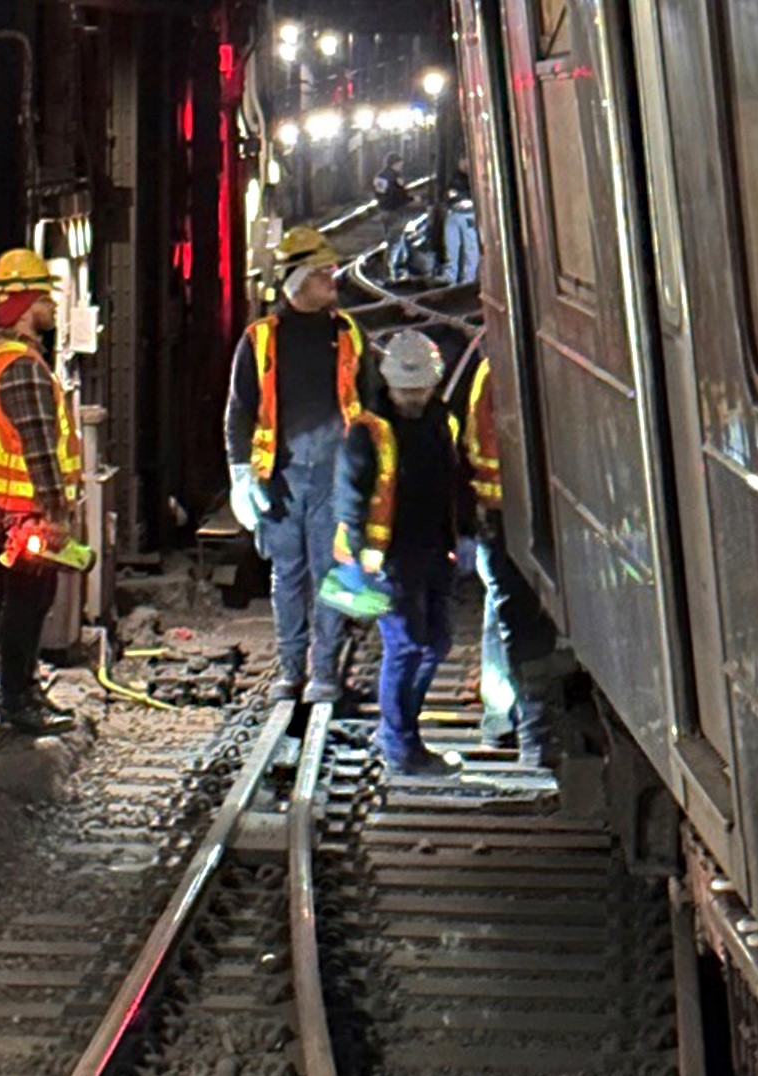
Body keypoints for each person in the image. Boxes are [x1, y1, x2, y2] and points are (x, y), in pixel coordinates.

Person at [226, 226, 372, 702]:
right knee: (288, 573)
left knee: (330, 572)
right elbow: (240, 412)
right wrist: (241, 475)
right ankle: (292, 670)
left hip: (336, 477)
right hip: (282, 478)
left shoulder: (348, 334)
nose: (334, 278)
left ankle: (324, 673)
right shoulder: (260, 340)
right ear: (297, 280)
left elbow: (370, 408)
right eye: (323, 272)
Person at [334, 331, 467, 777]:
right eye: (407, 390)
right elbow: (350, 499)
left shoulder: (441, 420)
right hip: (389, 556)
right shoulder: (368, 431)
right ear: (390, 384)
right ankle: (400, 744)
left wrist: (465, 532)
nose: (414, 397)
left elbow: (454, 478)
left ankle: (398, 732)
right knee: (407, 645)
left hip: (433, 548)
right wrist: (360, 556)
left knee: (437, 643)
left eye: (421, 389)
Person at [0, 248, 81, 736]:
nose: (52, 306)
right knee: (27, 604)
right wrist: (56, 512)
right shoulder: (22, 368)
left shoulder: (10, 360)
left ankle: (23, 691)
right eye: (44, 296)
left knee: (26, 602)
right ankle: (19, 700)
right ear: (23, 304)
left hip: (18, 511)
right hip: (27, 514)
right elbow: (40, 448)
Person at [459, 354, 550, 770]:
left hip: (504, 517)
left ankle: (501, 721)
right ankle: (524, 732)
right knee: (515, 620)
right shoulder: (495, 373)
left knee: (503, 618)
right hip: (503, 519)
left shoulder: (493, 371)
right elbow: (482, 449)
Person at [440, 156, 480, 286]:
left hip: (467, 215)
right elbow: (449, 195)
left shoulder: (472, 177)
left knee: (470, 247)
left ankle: (468, 279)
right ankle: (452, 277)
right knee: (452, 247)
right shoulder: (456, 177)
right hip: (455, 214)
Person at [373, 153, 413, 282]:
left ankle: (400, 267)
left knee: (394, 238)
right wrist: (412, 199)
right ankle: (389, 272)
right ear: (395, 164)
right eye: (400, 164)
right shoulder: (397, 177)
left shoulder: (379, 177)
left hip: (384, 211)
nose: (401, 166)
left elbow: (379, 194)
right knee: (394, 242)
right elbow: (400, 195)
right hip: (396, 212)